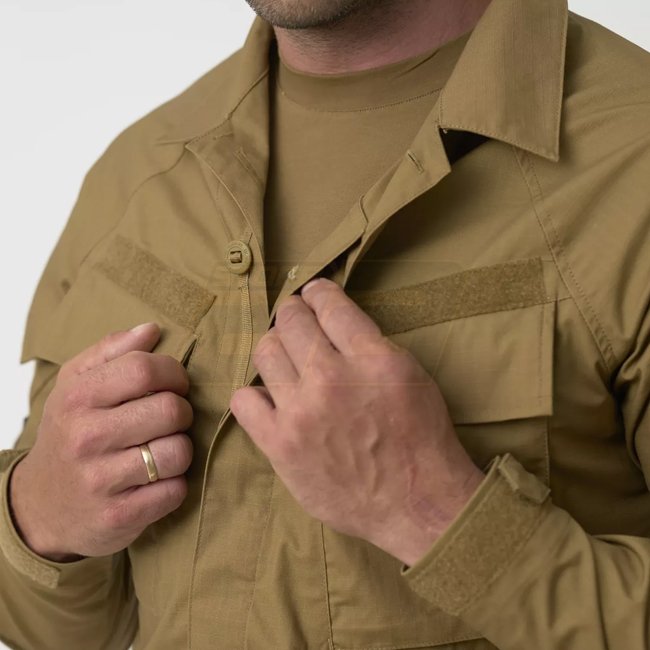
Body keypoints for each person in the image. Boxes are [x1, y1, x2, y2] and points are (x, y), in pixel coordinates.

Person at [1, 0, 650, 648]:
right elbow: (76, 631)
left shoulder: (632, 163)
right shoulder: (140, 171)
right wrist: (38, 516)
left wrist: (435, 514)